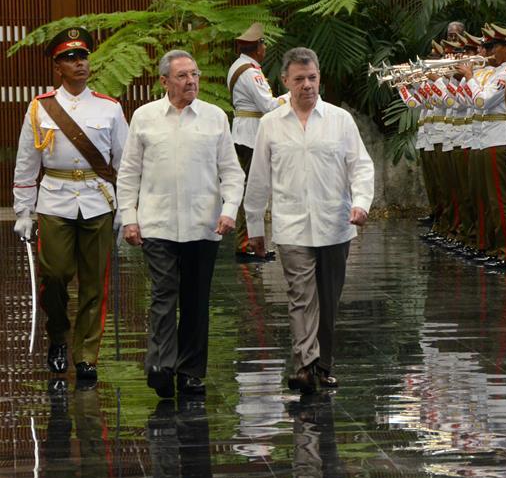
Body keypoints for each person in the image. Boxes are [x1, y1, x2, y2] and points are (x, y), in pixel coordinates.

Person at [244, 47, 374, 394]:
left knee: (328, 300)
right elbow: (258, 178)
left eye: (312, 78)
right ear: (284, 81)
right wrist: (254, 227)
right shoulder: (271, 124)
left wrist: (361, 203)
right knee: (301, 296)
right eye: (299, 79)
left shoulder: (339, 120)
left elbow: (360, 165)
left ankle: (324, 365)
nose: (307, 85)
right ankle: (305, 364)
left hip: (335, 225)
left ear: (320, 79)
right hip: (292, 226)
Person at [116, 49, 245, 398]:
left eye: (195, 74)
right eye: (183, 75)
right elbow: (128, 173)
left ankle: (190, 371)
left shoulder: (215, 117)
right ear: (164, 81)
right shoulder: (144, 118)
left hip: (204, 224)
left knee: (195, 299)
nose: (191, 81)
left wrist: (230, 209)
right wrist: (129, 217)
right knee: (162, 293)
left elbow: (231, 171)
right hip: (156, 224)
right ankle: (160, 364)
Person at [12, 27, 129, 382]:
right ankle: (58, 335)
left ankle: (86, 356)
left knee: (95, 283)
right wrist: (22, 210)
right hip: (55, 200)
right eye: (70, 58)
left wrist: (126, 208)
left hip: (97, 200)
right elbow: (27, 160)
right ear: (57, 67)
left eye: (82, 57)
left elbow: (125, 164)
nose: (79, 63)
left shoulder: (109, 108)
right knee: (56, 275)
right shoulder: (40, 107)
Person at [229, 22, 281, 263]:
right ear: (257, 47)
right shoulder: (251, 71)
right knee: (252, 189)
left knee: (247, 187)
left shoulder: (237, 66)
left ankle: (248, 241)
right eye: (263, 43)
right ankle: (246, 242)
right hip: (251, 135)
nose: (265, 47)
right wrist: (291, 95)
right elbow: (268, 106)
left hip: (243, 131)